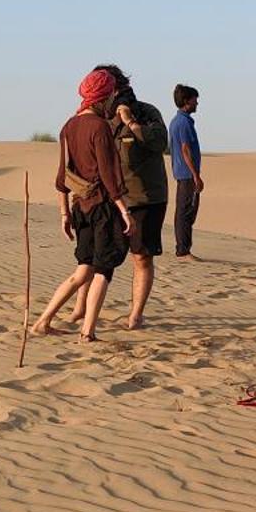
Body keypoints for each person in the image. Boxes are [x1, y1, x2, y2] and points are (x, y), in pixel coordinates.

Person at [33, 69, 137, 343]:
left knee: (83, 270)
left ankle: (43, 321)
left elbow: (62, 177)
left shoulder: (68, 126)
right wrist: (125, 212)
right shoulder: (99, 127)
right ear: (104, 95)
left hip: (80, 208)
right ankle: (87, 332)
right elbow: (109, 176)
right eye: (112, 93)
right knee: (103, 270)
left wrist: (64, 214)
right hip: (103, 208)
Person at [68, 65, 168, 330]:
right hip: (104, 199)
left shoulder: (146, 112)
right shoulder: (94, 118)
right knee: (92, 259)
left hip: (144, 198)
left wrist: (130, 122)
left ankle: (135, 315)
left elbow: (159, 142)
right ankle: (80, 309)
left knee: (141, 256)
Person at [168, 83, 202, 259]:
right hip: (186, 174)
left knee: (186, 210)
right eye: (195, 100)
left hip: (184, 173)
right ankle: (183, 250)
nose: (197, 103)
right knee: (185, 211)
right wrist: (195, 175)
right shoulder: (183, 123)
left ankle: (183, 248)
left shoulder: (179, 121)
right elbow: (185, 149)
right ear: (187, 101)